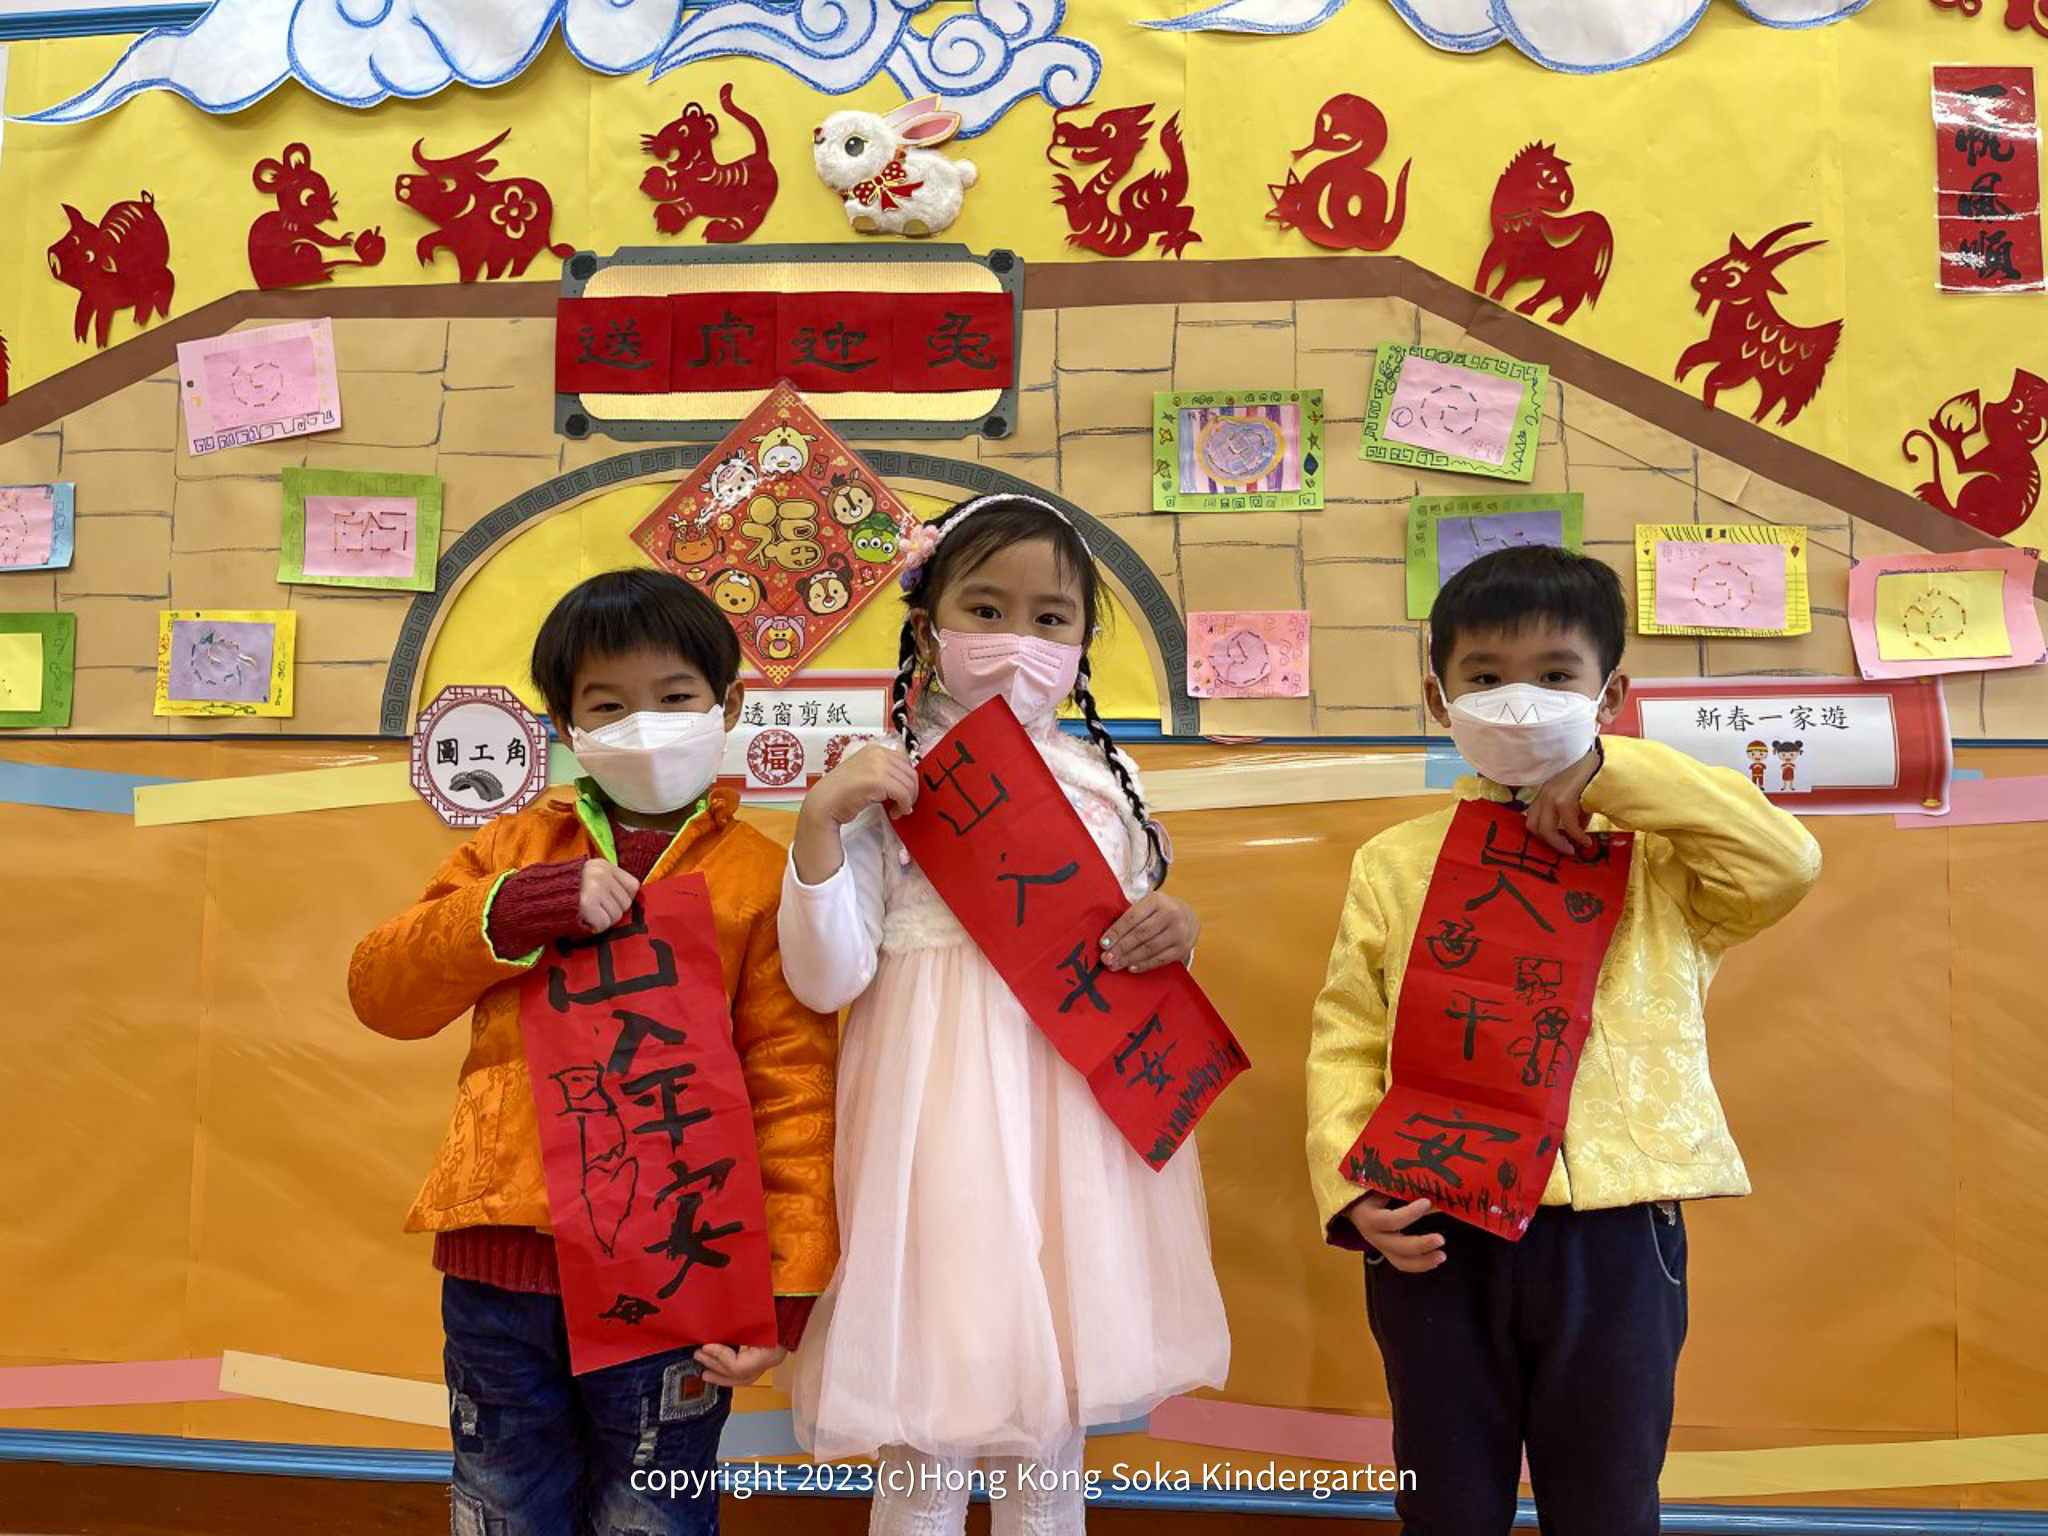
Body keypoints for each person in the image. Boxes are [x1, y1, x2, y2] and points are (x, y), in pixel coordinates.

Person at [1306, 545, 1821, 1534]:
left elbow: (1784, 863)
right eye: (1484, 677)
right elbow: (1347, 1035)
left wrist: (1611, 775)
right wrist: (1350, 1186)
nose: (1519, 701)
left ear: (1609, 694)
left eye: (1554, 675)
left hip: (1611, 1232)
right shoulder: (1393, 864)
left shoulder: (1664, 857)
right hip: (1435, 1221)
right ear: (1437, 696)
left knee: (1606, 1500)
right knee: (1447, 1500)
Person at [348, 568, 838, 1536]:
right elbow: (383, 992)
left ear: (728, 706)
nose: (644, 726)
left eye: (675, 698)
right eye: (608, 706)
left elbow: (794, 1088)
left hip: (678, 1272)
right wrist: (511, 911)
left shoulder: (760, 879)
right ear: (565, 726)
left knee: (654, 1516)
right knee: (500, 1507)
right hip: (503, 1269)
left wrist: (781, 1290)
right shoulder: (509, 852)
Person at [777, 493, 1231, 1535]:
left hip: (1076, 1118)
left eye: (1049, 618)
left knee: (1051, 1413)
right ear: (926, 623)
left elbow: (1127, 951)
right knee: (929, 1414)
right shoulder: (880, 778)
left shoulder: (1107, 786)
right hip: (933, 1116)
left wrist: (1175, 929)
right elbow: (826, 977)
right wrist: (819, 822)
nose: (1017, 640)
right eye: (984, 610)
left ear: (1081, 643)